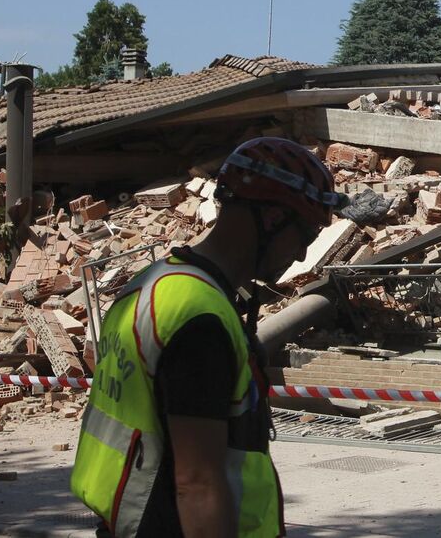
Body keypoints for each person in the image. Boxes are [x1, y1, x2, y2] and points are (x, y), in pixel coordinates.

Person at [71, 138, 340, 537]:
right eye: (304, 232)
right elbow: (197, 483)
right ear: (270, 219)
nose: (302, 255)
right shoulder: (201, 319)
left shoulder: (153, 284)